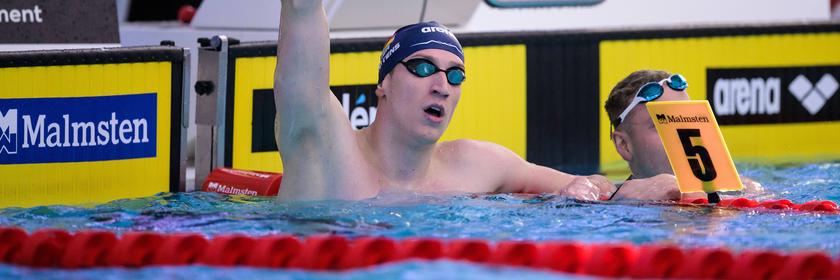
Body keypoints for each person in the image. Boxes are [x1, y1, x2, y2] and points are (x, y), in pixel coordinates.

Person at [273, 1, 674, 202]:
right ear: (385, 84)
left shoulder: (475, 164)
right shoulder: (325, 148)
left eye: (455, 74)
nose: (442, 85)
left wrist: (652, 189)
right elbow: (302, 12)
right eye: (424, 68)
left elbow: (587, 189)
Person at [604, 70, 762, 200]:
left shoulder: (744, 191)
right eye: (662, 121)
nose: (682, 132)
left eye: (687, 119)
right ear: (624, 145)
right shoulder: (611, 201)